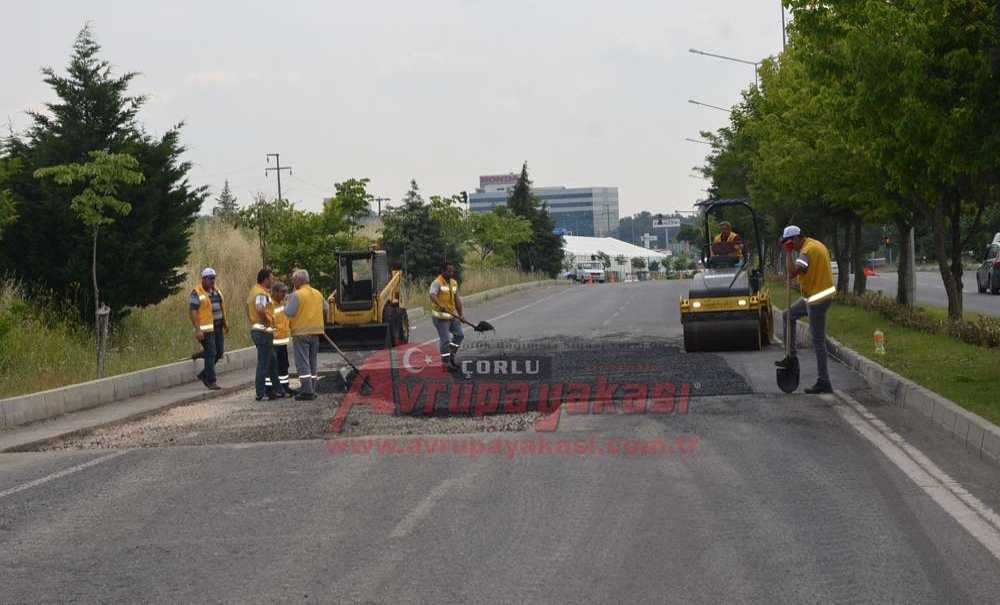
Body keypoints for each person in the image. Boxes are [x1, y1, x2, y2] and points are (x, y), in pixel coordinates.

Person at [775, 225, 837, 394]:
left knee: (818, 341)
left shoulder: (806, 251)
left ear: (795, 238)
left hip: (818, 299)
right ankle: (791, 357)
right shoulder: (814, 244)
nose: (790, 247)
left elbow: (792, 273)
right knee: (788, 315)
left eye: (789, 243)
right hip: (815, 295)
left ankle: (824, 381)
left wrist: (788, 254)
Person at [284, 269, 329, 401]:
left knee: (302, 362)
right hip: (316, 333)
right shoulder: (318, 294)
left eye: (294, 279)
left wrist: (287, 301)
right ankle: (312, 388)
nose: (293, 282)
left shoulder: (296, 295)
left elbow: (289, 312)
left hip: (301, 333)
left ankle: (306, 391)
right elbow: (326, 309)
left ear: (299, 280)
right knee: (312, 362)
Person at [189, 267, 228, 390]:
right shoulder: (197, 292)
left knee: (219, 352)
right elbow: (193, 311)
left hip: (217, 326)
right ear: (203, 279)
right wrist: (198, 329)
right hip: (206, 329)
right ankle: (211, 380)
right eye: (210, 278)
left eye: (214, 278)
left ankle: (203, 373)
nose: (212, 281)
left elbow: (221, 307)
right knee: (211, 352)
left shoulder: (216, 291)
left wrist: (225, 324)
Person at [247, 268, 282, 401]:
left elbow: (249, 309)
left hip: (259, 331)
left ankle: (279, 390)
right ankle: (260, 393)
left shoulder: (254, 291)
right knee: (264, 363)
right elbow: (260, 309)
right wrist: (268, 320)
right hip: (263, 332)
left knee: (272, 361)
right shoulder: (261, 293)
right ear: (265, 279)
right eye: (271, 278)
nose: (273, 280)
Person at [429, 262, 464, 371]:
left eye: (452, 270)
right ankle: (446, 364)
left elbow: (457, 300)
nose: (451, 273)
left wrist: (461, 315)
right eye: (448, 271)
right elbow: (432, 295)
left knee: (459, 335)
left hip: (452, 315)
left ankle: (451, 356)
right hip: (440, 318)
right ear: (442, 271)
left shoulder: (454, 283)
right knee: (445, 341)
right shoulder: (437, 282)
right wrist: (440, 304)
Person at [267, 281, 295, 397]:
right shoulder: (270, 305)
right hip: (274, 342)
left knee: (283, 365)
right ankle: (269, 389)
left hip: (282, 341)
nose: (284, 294)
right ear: (275, 292)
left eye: (285, 292)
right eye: (282, 292)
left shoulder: (283, 304)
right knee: (272, 366)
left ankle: (284, 387)